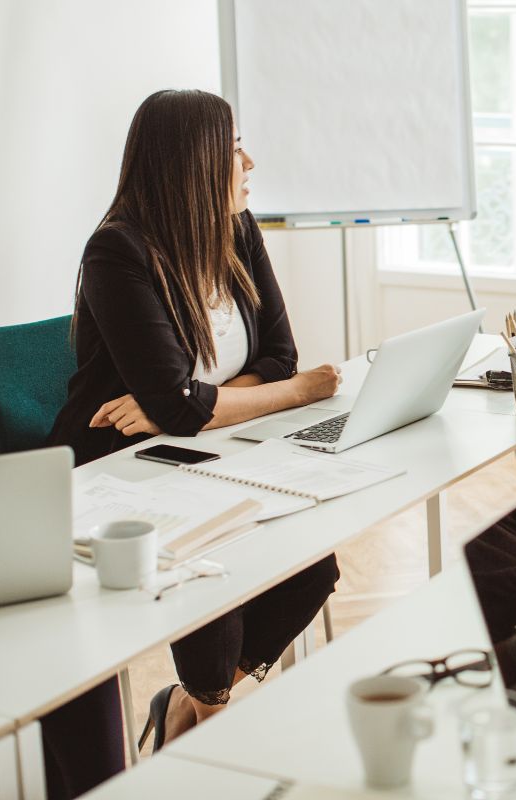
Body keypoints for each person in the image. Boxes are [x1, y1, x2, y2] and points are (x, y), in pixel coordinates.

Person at [44, 90, 341, 796]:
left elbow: (277, 353)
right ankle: (201, 724)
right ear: (193, 160)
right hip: (113, 469)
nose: (249, 162)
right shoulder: (118, 250)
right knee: (218, 585)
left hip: (203, 453)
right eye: (234, 146)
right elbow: (234, 392)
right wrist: (287, 396)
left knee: (312, 567)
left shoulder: (236, 232)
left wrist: (207, 406)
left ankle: (187, 707)